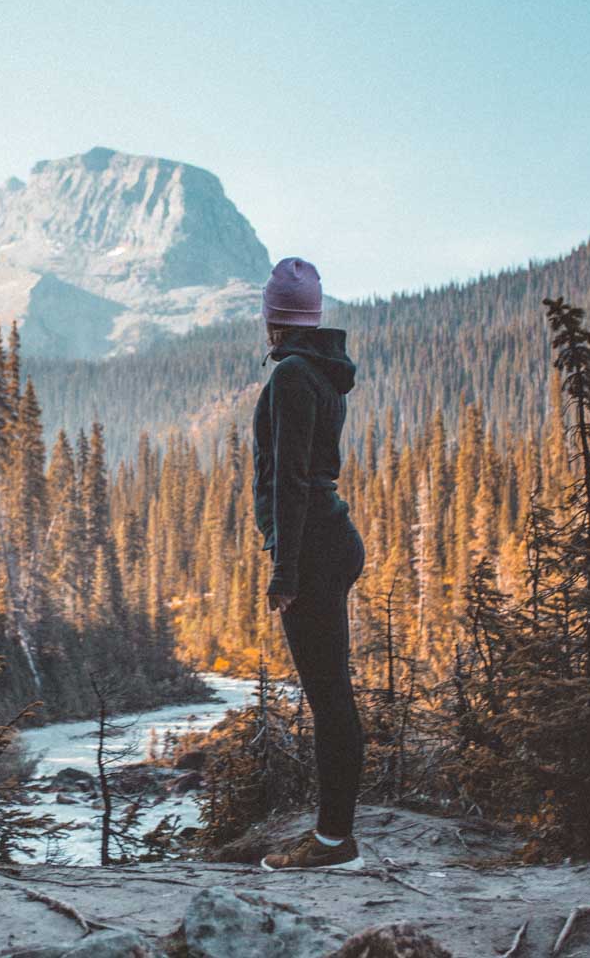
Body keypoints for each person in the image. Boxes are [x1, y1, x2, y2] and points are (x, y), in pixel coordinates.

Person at [252, 256, 368, 871]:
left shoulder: (293, 376)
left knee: (328, 698)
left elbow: (291, 479)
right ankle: (333, 836)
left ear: (274, 318)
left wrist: (284, 572)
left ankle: (332, 843)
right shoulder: (321, 371)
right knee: (333, 695)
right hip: (330, 539)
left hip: (315, 547)